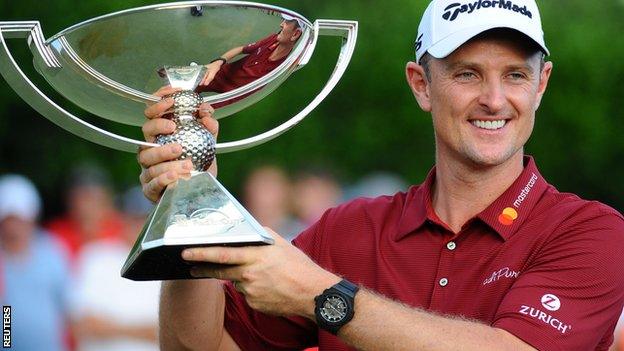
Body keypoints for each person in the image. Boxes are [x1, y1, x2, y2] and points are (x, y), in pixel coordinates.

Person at [137, 1, 624, 350]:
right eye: (467, 74)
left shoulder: (592, 232)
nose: (494, 100)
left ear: (541, 85)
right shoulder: (347, 232)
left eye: (515, 75)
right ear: (422, 85)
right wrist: (192, 198)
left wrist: (324, 297)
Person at [71, 186, 159, 351]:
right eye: (134, 218)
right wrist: (145, 330)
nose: (139, 225)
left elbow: (175, 333)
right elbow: (82, 325)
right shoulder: (95, 256)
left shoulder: (166, 265)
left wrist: (110, 327)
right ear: (122, 218)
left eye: (145, 218)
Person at [0, 174, 72, 351]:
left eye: (19, 219)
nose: (14, 227)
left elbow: (69, 308)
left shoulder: (52, 251)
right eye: (9, 219)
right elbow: (6, 312)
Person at [197, 14, 303, 94]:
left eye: (287, 22)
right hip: (224, 74)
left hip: (235, 95)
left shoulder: (280, 69)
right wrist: (218, 62)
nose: (281, 24)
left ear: (296, 34)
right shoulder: (273, 39)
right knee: (189, 82)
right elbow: (241, 49)